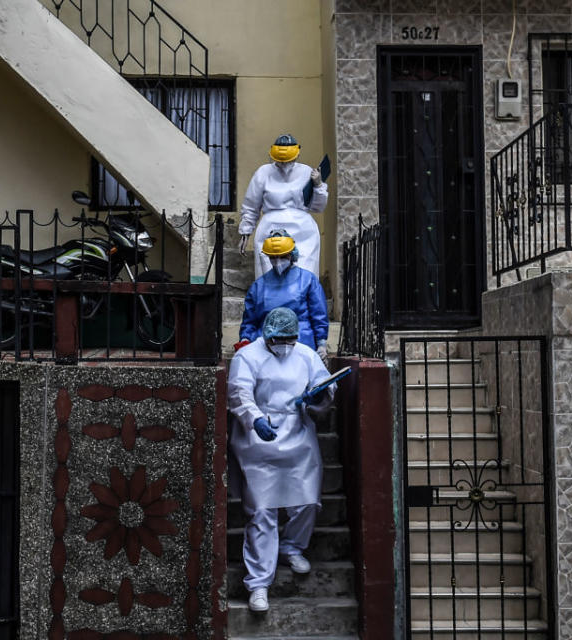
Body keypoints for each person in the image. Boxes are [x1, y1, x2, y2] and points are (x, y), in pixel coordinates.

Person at [227, 307, 336, 613]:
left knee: (307, 500)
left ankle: (292, 546)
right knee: (262, 511)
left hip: (298, 436)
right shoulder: (246, 357)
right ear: (267, 335)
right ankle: (259, 583)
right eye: (280, 339)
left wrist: (320, 396)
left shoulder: (305, 354)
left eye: (290, 338)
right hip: (258, 440)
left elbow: (326, 385)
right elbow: (238, 393)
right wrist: (255, 419)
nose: (285, 344)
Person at [239, 134, 328, 279]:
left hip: (303, 231)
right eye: (281, 162)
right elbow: (251, 205)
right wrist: (245, 231)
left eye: (288, 161)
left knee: (305, 274)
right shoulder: (263, 173)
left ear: (297, 155)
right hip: (270, 229)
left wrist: (318, 185)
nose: (284, 165)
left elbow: (318, 207)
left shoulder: (307, 172)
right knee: (270, 274)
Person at [236, 229, 329, 362]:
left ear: (292, 254)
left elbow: (318, 314)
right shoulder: (258, 286)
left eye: (283, 256)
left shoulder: (308, 280)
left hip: (301, 345)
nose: (278, 261)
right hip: (266, 348)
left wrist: (321, 343)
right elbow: (250, 320)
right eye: (273, 257)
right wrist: (245, 339)